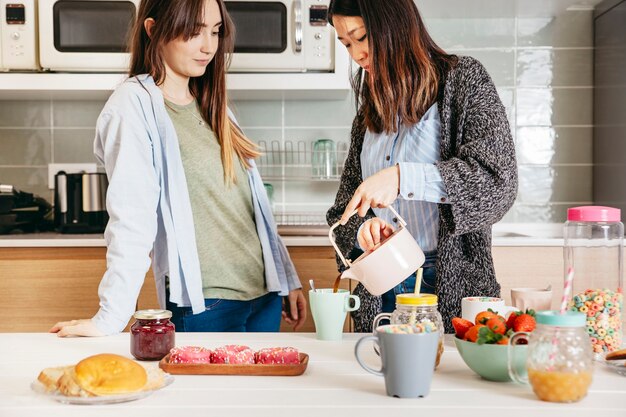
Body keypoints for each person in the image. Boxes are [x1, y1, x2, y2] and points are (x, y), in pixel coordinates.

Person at [50, 0, 306, 337]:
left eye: (215, 32)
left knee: (258, 393)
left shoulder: (213, 106)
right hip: (207, 304)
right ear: (154, 30)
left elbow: (249, 206)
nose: (208, 46)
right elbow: (132, 218)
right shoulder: (133, 106)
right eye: (194, 32)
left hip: (264, 297)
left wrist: (286, 278)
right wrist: (110, 318)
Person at [325, 0, 518, 333]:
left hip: (447, 284)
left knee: (453, 381)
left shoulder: (464, 81)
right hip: (381, 287)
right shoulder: (370, 110)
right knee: (375, 380)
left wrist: (402, 178)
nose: (356, 54)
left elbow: (497, 182)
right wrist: (364, 228)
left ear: (394, 24)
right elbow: (342, 212)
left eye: (361, 37)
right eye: (346, 44)